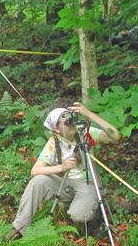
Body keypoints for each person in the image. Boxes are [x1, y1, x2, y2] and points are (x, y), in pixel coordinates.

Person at [10, 102, 121, 238]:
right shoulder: (53, 142)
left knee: (77, 215)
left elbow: (115, 136)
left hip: (86, 184)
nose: (70, 121)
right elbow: (35, 171)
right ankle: (19, 227)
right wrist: (61, 167)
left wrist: (89, 114)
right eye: (65, 121)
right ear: (57, 129)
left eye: (70, 117)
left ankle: (92, 215)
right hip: (65, 184)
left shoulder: (85, 133)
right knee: (37, 181)